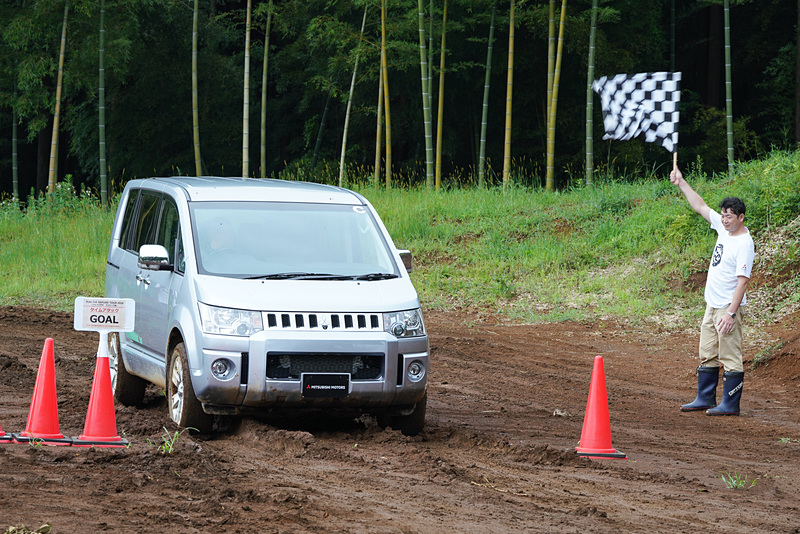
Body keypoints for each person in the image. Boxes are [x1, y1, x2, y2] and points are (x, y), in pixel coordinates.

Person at [670, 165, 755, 416]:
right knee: (707, 352)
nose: (725, 219)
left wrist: (730, 313)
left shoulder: (744, 243)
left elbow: (743, 282)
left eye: (730, 216)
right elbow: (700, 206)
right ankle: (705, 398)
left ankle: (730, 404)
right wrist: (682, 182)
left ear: (741, 217)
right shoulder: (723, 228)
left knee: (730, 355)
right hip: (712, 304)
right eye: (723, 215)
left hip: (727, 308)